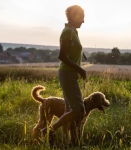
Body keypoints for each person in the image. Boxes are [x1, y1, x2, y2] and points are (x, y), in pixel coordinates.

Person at [41, 5, 86, 146]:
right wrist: (79, 68)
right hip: (67, 73)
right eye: (82, 18)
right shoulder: (67, 32)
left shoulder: (73, 31)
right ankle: (49, 130)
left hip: (70, 74)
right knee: (79, 109)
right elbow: (61, 55)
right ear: (73, 16)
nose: (83, 21)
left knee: (69, 109)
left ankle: (66, 143)